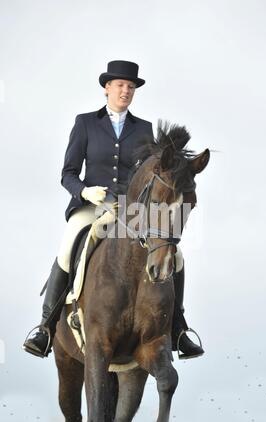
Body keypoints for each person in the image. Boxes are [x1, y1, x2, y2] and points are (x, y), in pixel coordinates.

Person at [23, 60, 204, 359]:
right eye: (120, 85)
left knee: (177, 256)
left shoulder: (144, 130)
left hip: (131, 210)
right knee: (68, 248)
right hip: (91, 204)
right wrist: (84, 190)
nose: (126, 91)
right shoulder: (85, 123)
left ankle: (178, 328)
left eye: (131, 87)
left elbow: (153, 175)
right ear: (107, 88)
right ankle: (45, 326)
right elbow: (67, 173)